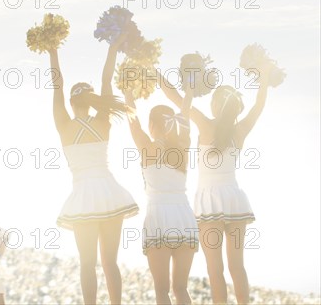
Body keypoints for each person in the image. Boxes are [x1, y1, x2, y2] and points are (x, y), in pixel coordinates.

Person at [159, 65, 272, 305]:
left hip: (209, 203)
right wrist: (264, 75)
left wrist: (154, 72)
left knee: (215, 269)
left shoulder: (204, 124)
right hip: (234, 200)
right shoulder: (240, 130)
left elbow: (173, 97)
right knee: (237, 267)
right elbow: (259, 105)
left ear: (216, 105)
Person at [46, 37, 138, 305]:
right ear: (90, 100)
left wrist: (53, 52)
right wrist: (113, 48)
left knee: (87, 264)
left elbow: (57, 86)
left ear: (72, 104)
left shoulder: (64, 125)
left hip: (83, 196)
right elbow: (107, 81)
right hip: (109, 192)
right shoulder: (102, 120)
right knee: (110, 262)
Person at [123, 84, 198, 305]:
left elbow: (132, 120)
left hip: (158, 219)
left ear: (152, 125)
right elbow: (184, 116)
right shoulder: (183, 144)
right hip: (184, 217)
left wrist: (128, 93)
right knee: (181, 289)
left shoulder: (146, 146)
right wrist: (189, 95)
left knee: (162, 291)